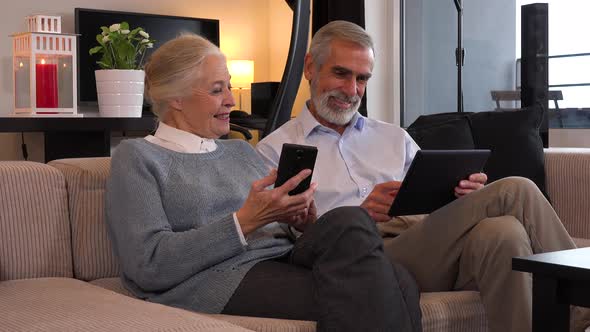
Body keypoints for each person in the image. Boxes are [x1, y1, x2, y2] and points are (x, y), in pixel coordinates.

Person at [256, 20, 580, 332]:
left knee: (503, 232)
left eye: (362, 78)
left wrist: (466, 195)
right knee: (515, 190)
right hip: (367, 254)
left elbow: (434, 197)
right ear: (311, 67)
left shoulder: (394, 137)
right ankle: (582, 303)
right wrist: (357, 215)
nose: (352, 90)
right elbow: (277, 242)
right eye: (341, 74)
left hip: (428, 237)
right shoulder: (275, 150)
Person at [104, 33, 422, 332]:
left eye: (228, 87)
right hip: (215, 276)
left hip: (282, 256)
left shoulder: (240, 150)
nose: (231, 100)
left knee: (350, 219)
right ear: (176, 97)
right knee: (396, 283)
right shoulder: (138, 157)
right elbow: (147, 265)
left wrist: (299, 220)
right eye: (217, 90)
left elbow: (281, 228)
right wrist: (244, 222)